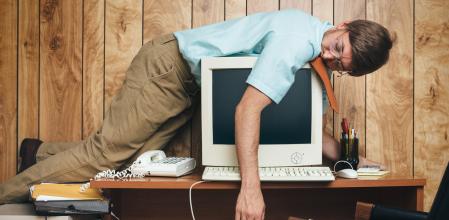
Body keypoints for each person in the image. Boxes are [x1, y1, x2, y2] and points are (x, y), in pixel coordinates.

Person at [0, 9, 392, 220]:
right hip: (168, 67)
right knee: (106, 157)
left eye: (342, 63)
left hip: (185, 83)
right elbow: (247, 110)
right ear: (341, 26)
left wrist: (357, 160)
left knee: (134, 165)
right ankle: (5, 193)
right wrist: (250, 189)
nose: (331, 57)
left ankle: (38, 152)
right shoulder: (296, 41)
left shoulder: (315, 57)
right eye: (337, 46)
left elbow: (315, 132)